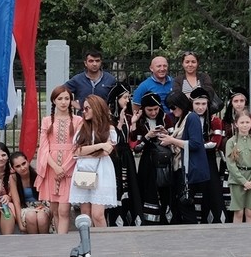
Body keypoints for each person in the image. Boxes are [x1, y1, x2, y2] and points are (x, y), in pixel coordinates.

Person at [35, 85, 82, 234]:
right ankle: (59, 239)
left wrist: (65, 167)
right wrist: (55, 167)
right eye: (60, 98)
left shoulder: (78, 120)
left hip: (70, 166)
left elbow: (78, 145)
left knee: (64, 210)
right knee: (54, 209)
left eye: (67, 98)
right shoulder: (47, 120)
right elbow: (43, 147)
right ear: (54, 101)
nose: (63, 102)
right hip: (51, 167)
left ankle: (62, 241)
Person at [158, 91, 210, 224]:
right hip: (180, 168)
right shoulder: (181, 119)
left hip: (188, 169)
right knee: (181, 205)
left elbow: (195, 143)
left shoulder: (191, 117)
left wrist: (171, 140)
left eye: (173, 107)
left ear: (181, 105)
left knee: (186, 205)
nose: (171, 110)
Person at [69, 95, 119, 227]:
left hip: (101, 171)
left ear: (96, 109)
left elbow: (107, 151)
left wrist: (86, 152)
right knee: (85, 213)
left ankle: (104, 244)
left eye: (87, 108)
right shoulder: (82, 128)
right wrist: (100, 145)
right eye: (83, 109)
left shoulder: (109, 129)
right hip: (84, 171)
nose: (84, 112)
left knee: (97, 214)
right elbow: (76, 150)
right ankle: (87, 242)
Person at [130, 92, 174, 225]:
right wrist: (147, 136)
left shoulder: (166, 118)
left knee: (165, 189)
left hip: (164, 162)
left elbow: (174, 139)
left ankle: (166, 219)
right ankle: (149, 220)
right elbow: (136, 147)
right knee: (148, 189)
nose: (154, 113)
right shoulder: (139, 121)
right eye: (150, 110)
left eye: (156, 109)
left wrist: (166, 134)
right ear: (143, 109)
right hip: (147, 163)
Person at [219, 85, 251, 220]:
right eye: (236, 101)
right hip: (233, 166)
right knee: (234, 205)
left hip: (250, 165)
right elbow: (222, 141)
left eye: (241, 101)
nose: (239, 104)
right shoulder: (225, 120)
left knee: (250, 210)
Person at [106, 82, 141, 227]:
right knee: (118, 186)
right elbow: (114, 141)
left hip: (127, 156)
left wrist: (132, 124)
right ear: (116, 99)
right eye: (124, 97)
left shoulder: (127, 116)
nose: (127, 100)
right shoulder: (108, 118)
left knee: (130, 186)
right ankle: (115, 219)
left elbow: (131, 140)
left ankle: (131, 218)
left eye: (128, 97)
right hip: (115, 157)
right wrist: (119, 125)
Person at [189, 86, 225, 223]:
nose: (200, 107)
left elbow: (215, 143)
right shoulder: (187, 119)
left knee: (212, 189)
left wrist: (196, 145)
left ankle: (215, 219)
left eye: (203, 104)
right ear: (192, 104)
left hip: (208, 161)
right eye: (197, 104)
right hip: (192, 161)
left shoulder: (214, 121)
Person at [224, 110, 251, 223]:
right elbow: (230, 164)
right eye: (242, 122)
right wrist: (243, 181)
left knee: (250, 212)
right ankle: (238, 237)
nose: (245, 125)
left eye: (247, 122)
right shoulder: (231, 142)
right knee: (238, 212)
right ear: (236, 124)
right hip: (237, 180)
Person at [9, 151, 50, 234]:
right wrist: (20, 224)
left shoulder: (37, 173)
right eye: (18, 166)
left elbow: (48, 197)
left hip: (42, 205)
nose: (22, 167)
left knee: (41, 217)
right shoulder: (13, 178)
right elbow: (16, 202)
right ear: (13, 168)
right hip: (26, 208)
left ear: (28, 161)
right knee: (30, 216)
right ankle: (33, 244)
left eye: (24, 163)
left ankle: (45, 243)